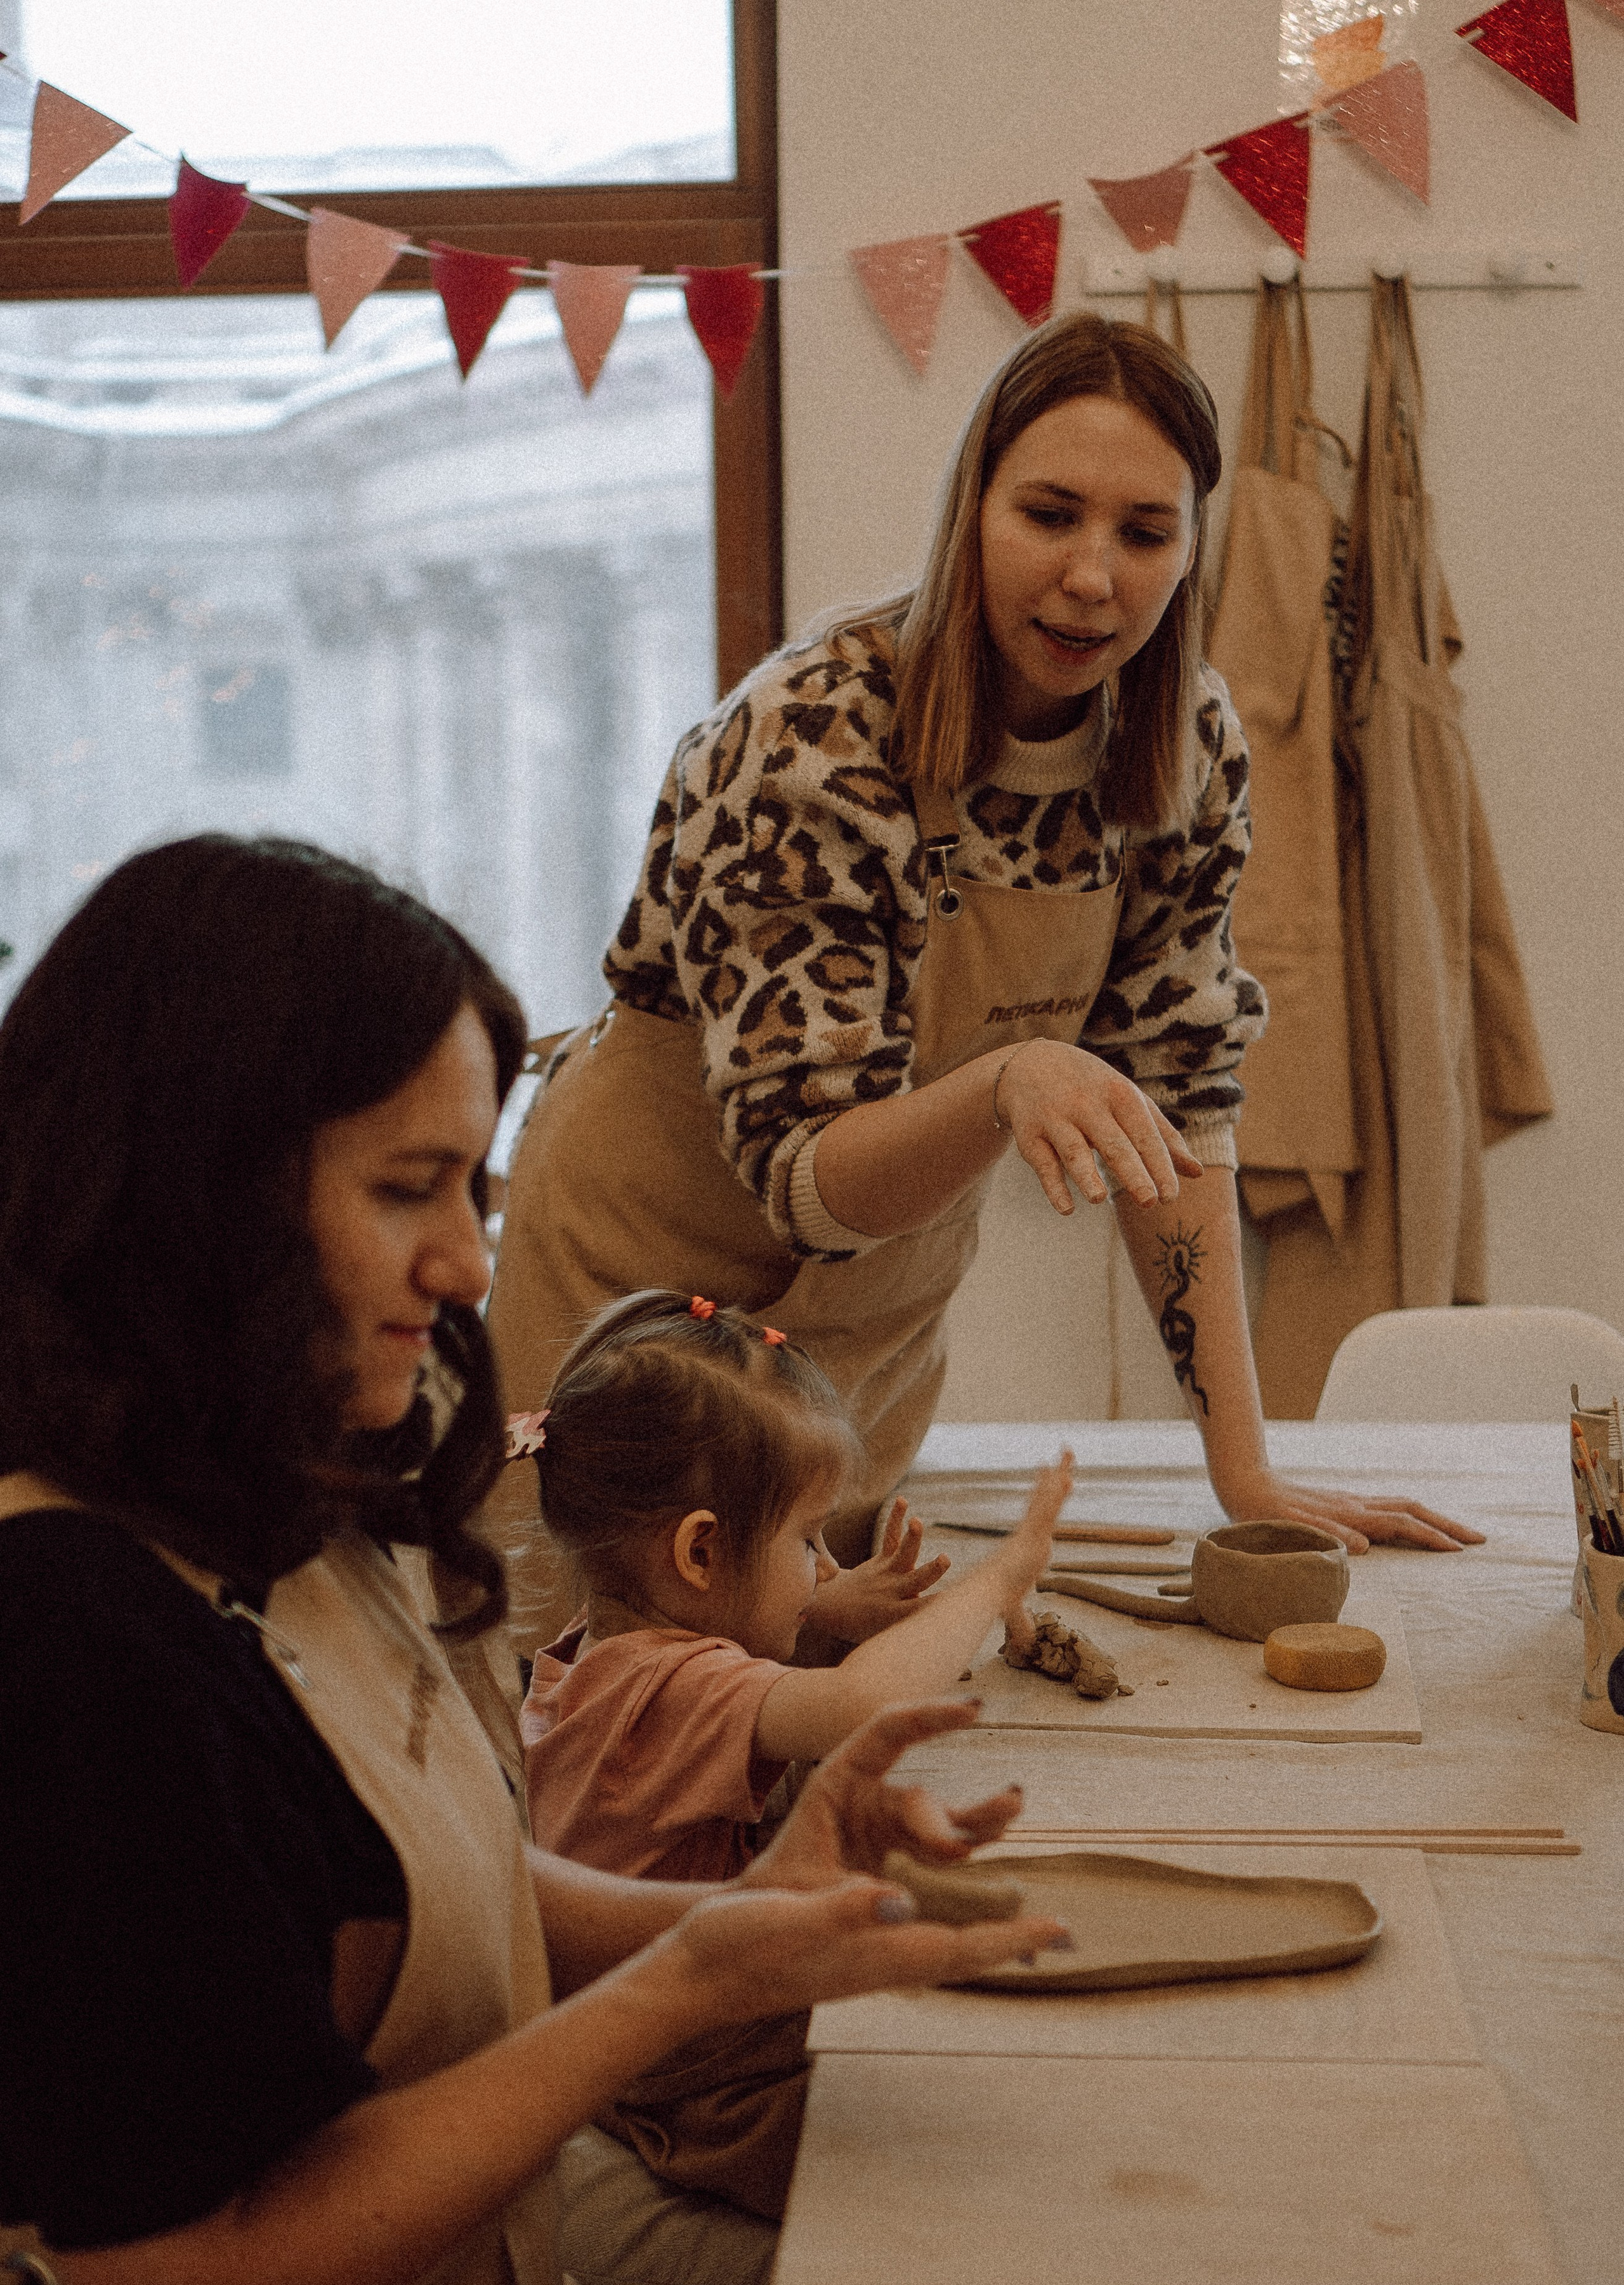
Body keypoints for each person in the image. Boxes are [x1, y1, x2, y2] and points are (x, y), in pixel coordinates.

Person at [0, 834, 1071, 2285]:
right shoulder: (71, 1643)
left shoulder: (298, 1482)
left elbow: (435, 1890)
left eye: (475, 1188)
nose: (468, 1264)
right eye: (404, 1189)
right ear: (195, 1190)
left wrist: (741, 1916)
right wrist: (675, 1988)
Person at [487, 310, 1479, 1623]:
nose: (1092, 577)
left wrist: (1242, 1470)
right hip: (630, 1289)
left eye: (1145, 532)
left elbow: (1178, 1107)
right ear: (971, 509)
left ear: (1192, 549)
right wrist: (1011, 1079)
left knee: (808, 1678)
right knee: (600, 1694)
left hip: (852, 1346)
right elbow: (807, 1180)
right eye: (1049, 515)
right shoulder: (808, 738)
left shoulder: (1184, 747)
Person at [511, 1290, 1071, 2228]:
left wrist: (819, 1603)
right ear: (700, 1553)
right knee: (974, 2169)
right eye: (807, 1539)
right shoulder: (674, 1692)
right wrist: (995, 1581)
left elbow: (734, 1647)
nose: (823, 1564)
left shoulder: (600, 1654)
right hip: (709, 2093)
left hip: (654, 2039)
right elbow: (861, 1707)